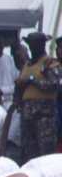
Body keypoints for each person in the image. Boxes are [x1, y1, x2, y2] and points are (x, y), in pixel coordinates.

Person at [15, 32, 60, 162]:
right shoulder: (27, 65)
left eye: (37, 44)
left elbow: (53, 85)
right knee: (29, 155)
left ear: (43, 44)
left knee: (46, 155)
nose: (34, 46)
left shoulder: (50, 63)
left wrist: (31, 80)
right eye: (31, 44)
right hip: (27, 116)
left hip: (44, 117)